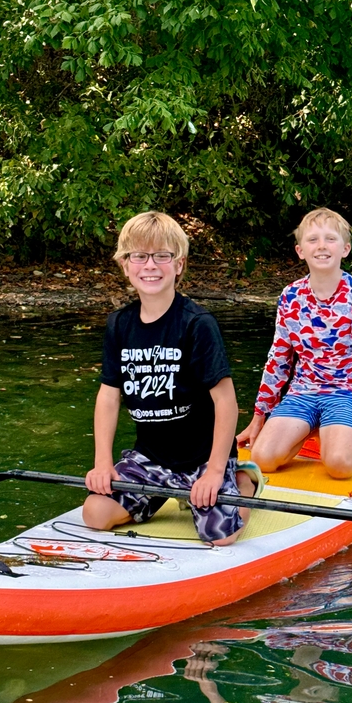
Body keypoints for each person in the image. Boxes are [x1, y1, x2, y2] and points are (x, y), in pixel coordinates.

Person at [83, 211, 257, 546]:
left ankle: (242, 482)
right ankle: (162, 494)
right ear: (125, 265)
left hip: (203, 458)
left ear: (179, 265)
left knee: (220, 536)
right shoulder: (119, 324)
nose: (150, 265)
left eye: (162, 256)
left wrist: (215, 471)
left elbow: (226, 401)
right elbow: (108, 396)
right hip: (151, 459)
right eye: (139, 256)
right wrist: (102, 463)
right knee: (95, 514)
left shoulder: (197, 324)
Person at [237, 207, 352, 479]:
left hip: (347, 393)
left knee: (338, 466)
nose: (322, 246)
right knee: (262, 458)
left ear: (345, 249)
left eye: (330, 239)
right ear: (300, 250)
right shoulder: (290, 297)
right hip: (302, 392)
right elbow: (278, 359)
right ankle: (311, 427)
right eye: (313, 239)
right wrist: (259, 416)